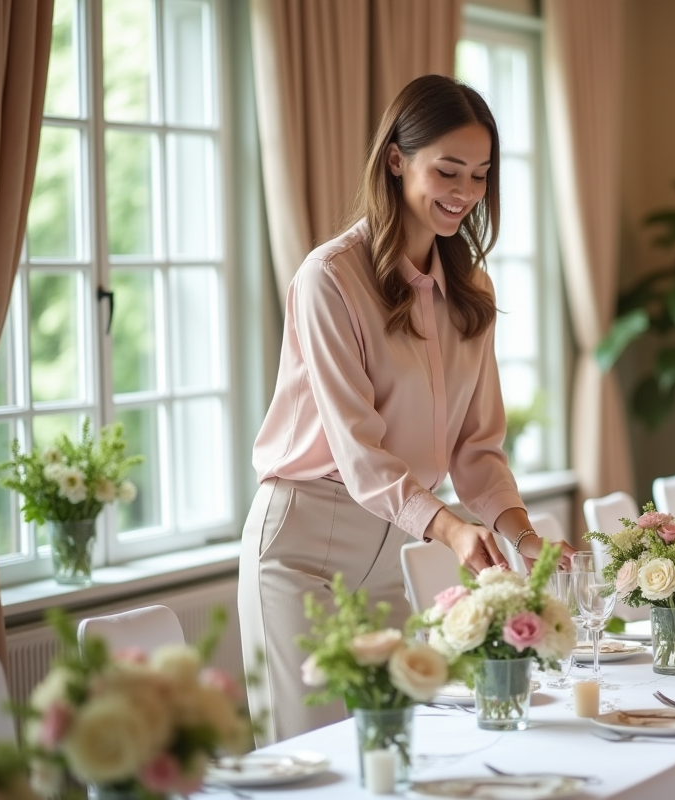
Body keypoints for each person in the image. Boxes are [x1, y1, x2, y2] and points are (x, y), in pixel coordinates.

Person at [239, 74, 575, 743]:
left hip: (396, 543)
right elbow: (361, 454)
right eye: (447, 170)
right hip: (303, 544)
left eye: (480, 176)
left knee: (400, 749)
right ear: (396, 159)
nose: (465, 193)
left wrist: (524, 535)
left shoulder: (469, 289)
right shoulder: (329, 279)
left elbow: (477, 448)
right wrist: (451, 529)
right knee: (313, 761)